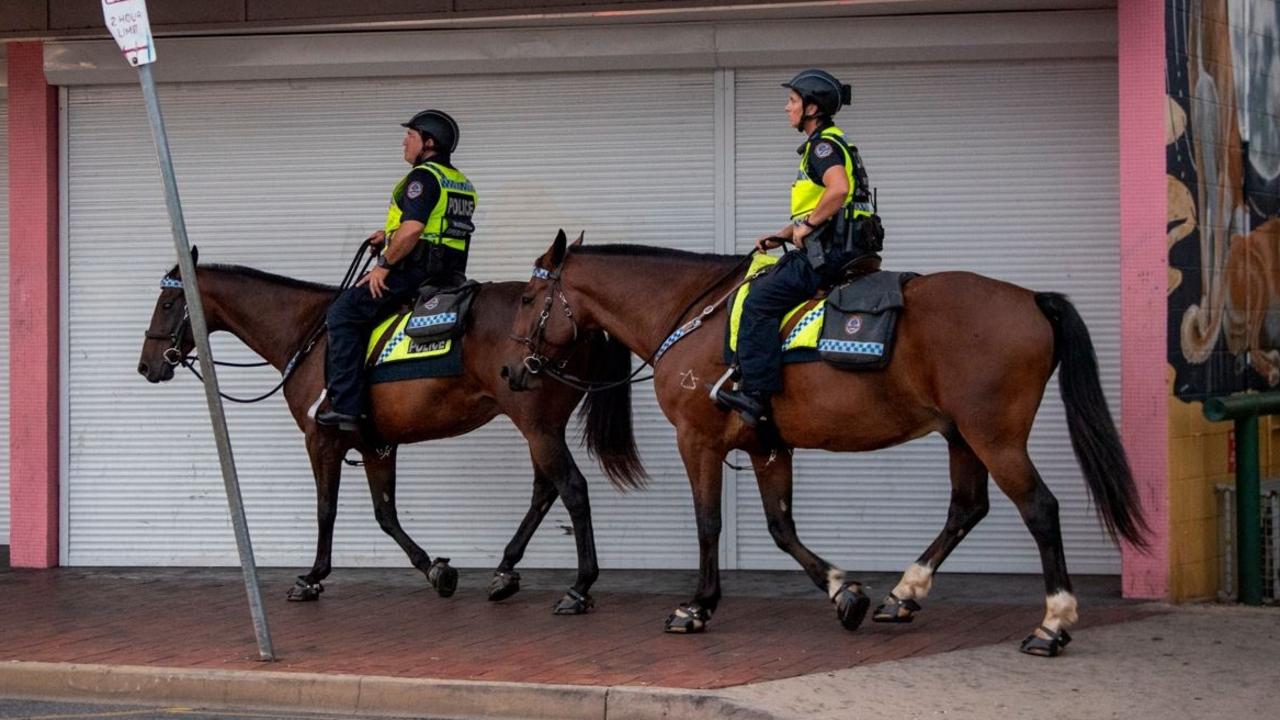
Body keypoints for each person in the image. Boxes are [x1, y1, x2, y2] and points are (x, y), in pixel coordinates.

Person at [717, 69, 877, 427]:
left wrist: (806, 226)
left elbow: (837, 190)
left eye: (792, 101)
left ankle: (755, 394)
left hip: (832, 255)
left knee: (758, 301)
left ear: (811, 108)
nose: (786, 107)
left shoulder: (822, 147)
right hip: (844, 246)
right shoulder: (831, 144)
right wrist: (784, 233)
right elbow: (828, 206)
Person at [317, 109, 478, 430]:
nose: (404, 141)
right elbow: (435, 227)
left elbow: (414, 230)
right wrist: (387, 235)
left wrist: (385, 264)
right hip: (450, 273)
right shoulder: (460, 182)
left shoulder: (423, 178)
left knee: (342, 313)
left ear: (428, 143)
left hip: (414, 272)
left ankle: (347, 407)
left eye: (411, 135)